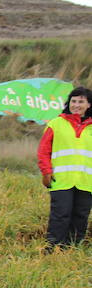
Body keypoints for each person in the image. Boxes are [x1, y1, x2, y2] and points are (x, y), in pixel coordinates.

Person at [37, 86, 92, 248]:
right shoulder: (56, 124)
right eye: (73, 101)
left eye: (81, 101)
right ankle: (52, 247)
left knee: (81, 216)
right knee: (60, 215)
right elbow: (43, 151)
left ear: (89, 105)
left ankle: (72, 249)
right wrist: (46, 171)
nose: (76, 105)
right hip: (61, 180)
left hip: (86, 181)